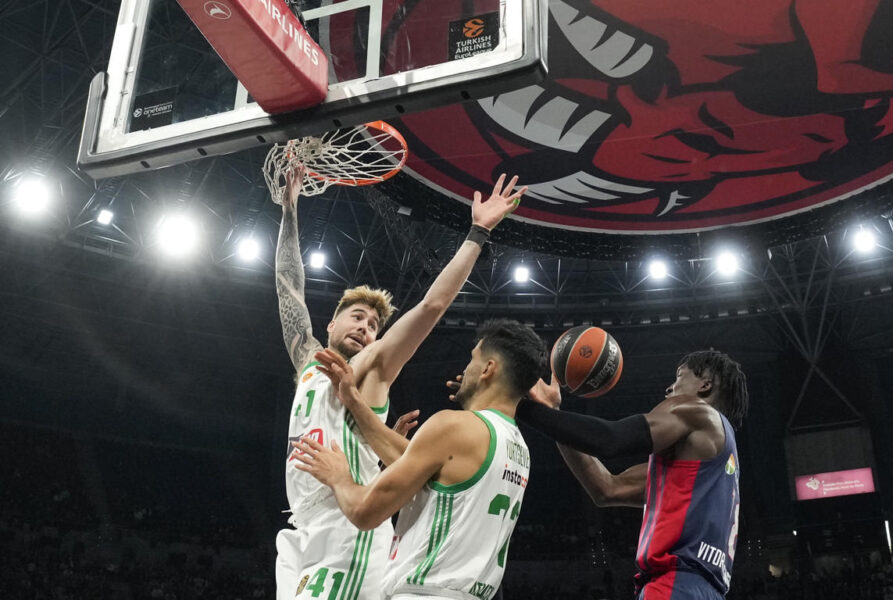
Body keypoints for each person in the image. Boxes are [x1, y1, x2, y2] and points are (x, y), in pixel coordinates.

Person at [274, 165, 526, 600]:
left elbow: (432, 306)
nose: (365, 328)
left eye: (373, 324)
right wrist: (289, 209)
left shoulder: (370, 368)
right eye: (357, 316)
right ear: (331, 323)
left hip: (346, 527)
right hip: (304, 526)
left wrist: (477, 234)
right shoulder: (308, 362)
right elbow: (287, 288)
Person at [290, 319, 546, 600]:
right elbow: (419, 463)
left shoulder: (453, 426)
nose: (465, 369)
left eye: (472, 360)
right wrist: (353, 400)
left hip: (424, 592)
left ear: (487, 369)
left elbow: (364, 512)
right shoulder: (517, 447)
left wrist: (340, 478)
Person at [518, 350, 748, 600]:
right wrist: (553, 413)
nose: (669, 389)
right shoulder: (713, 465)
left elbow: (610, 440)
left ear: (705, 384)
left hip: (675, 586)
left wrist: (516, 405)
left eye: (680, 377)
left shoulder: (697, 412)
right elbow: (607, 489)